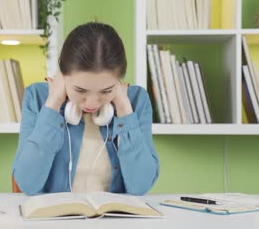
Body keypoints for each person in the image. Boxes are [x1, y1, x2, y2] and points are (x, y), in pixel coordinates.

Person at [12, 22, 159, 195]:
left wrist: (124, 109)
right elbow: (27, 184)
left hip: (114, 219)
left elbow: (140, 186)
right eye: (80, 90)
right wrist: (53, 104)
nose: (91, 103)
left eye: (106, 91)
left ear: (119, 81)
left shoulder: (135, 101)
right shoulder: (37, 97)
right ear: (63, 76)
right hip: (54, 218)